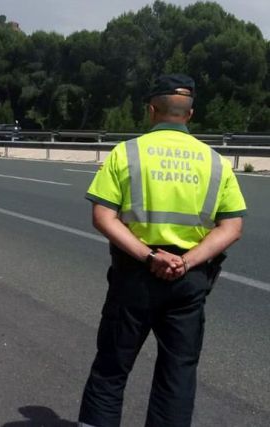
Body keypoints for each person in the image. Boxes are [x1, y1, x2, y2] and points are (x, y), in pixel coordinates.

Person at [78, 74, 247, 427]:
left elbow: (102, 217)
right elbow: (232, 228)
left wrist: (149, 256)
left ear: (151, 110)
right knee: (177, 375)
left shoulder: (126, 153)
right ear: (190, 114)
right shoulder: (215, 162)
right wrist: (184, 262)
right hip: (188, 282)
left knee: (111, 369)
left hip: (134, 278)